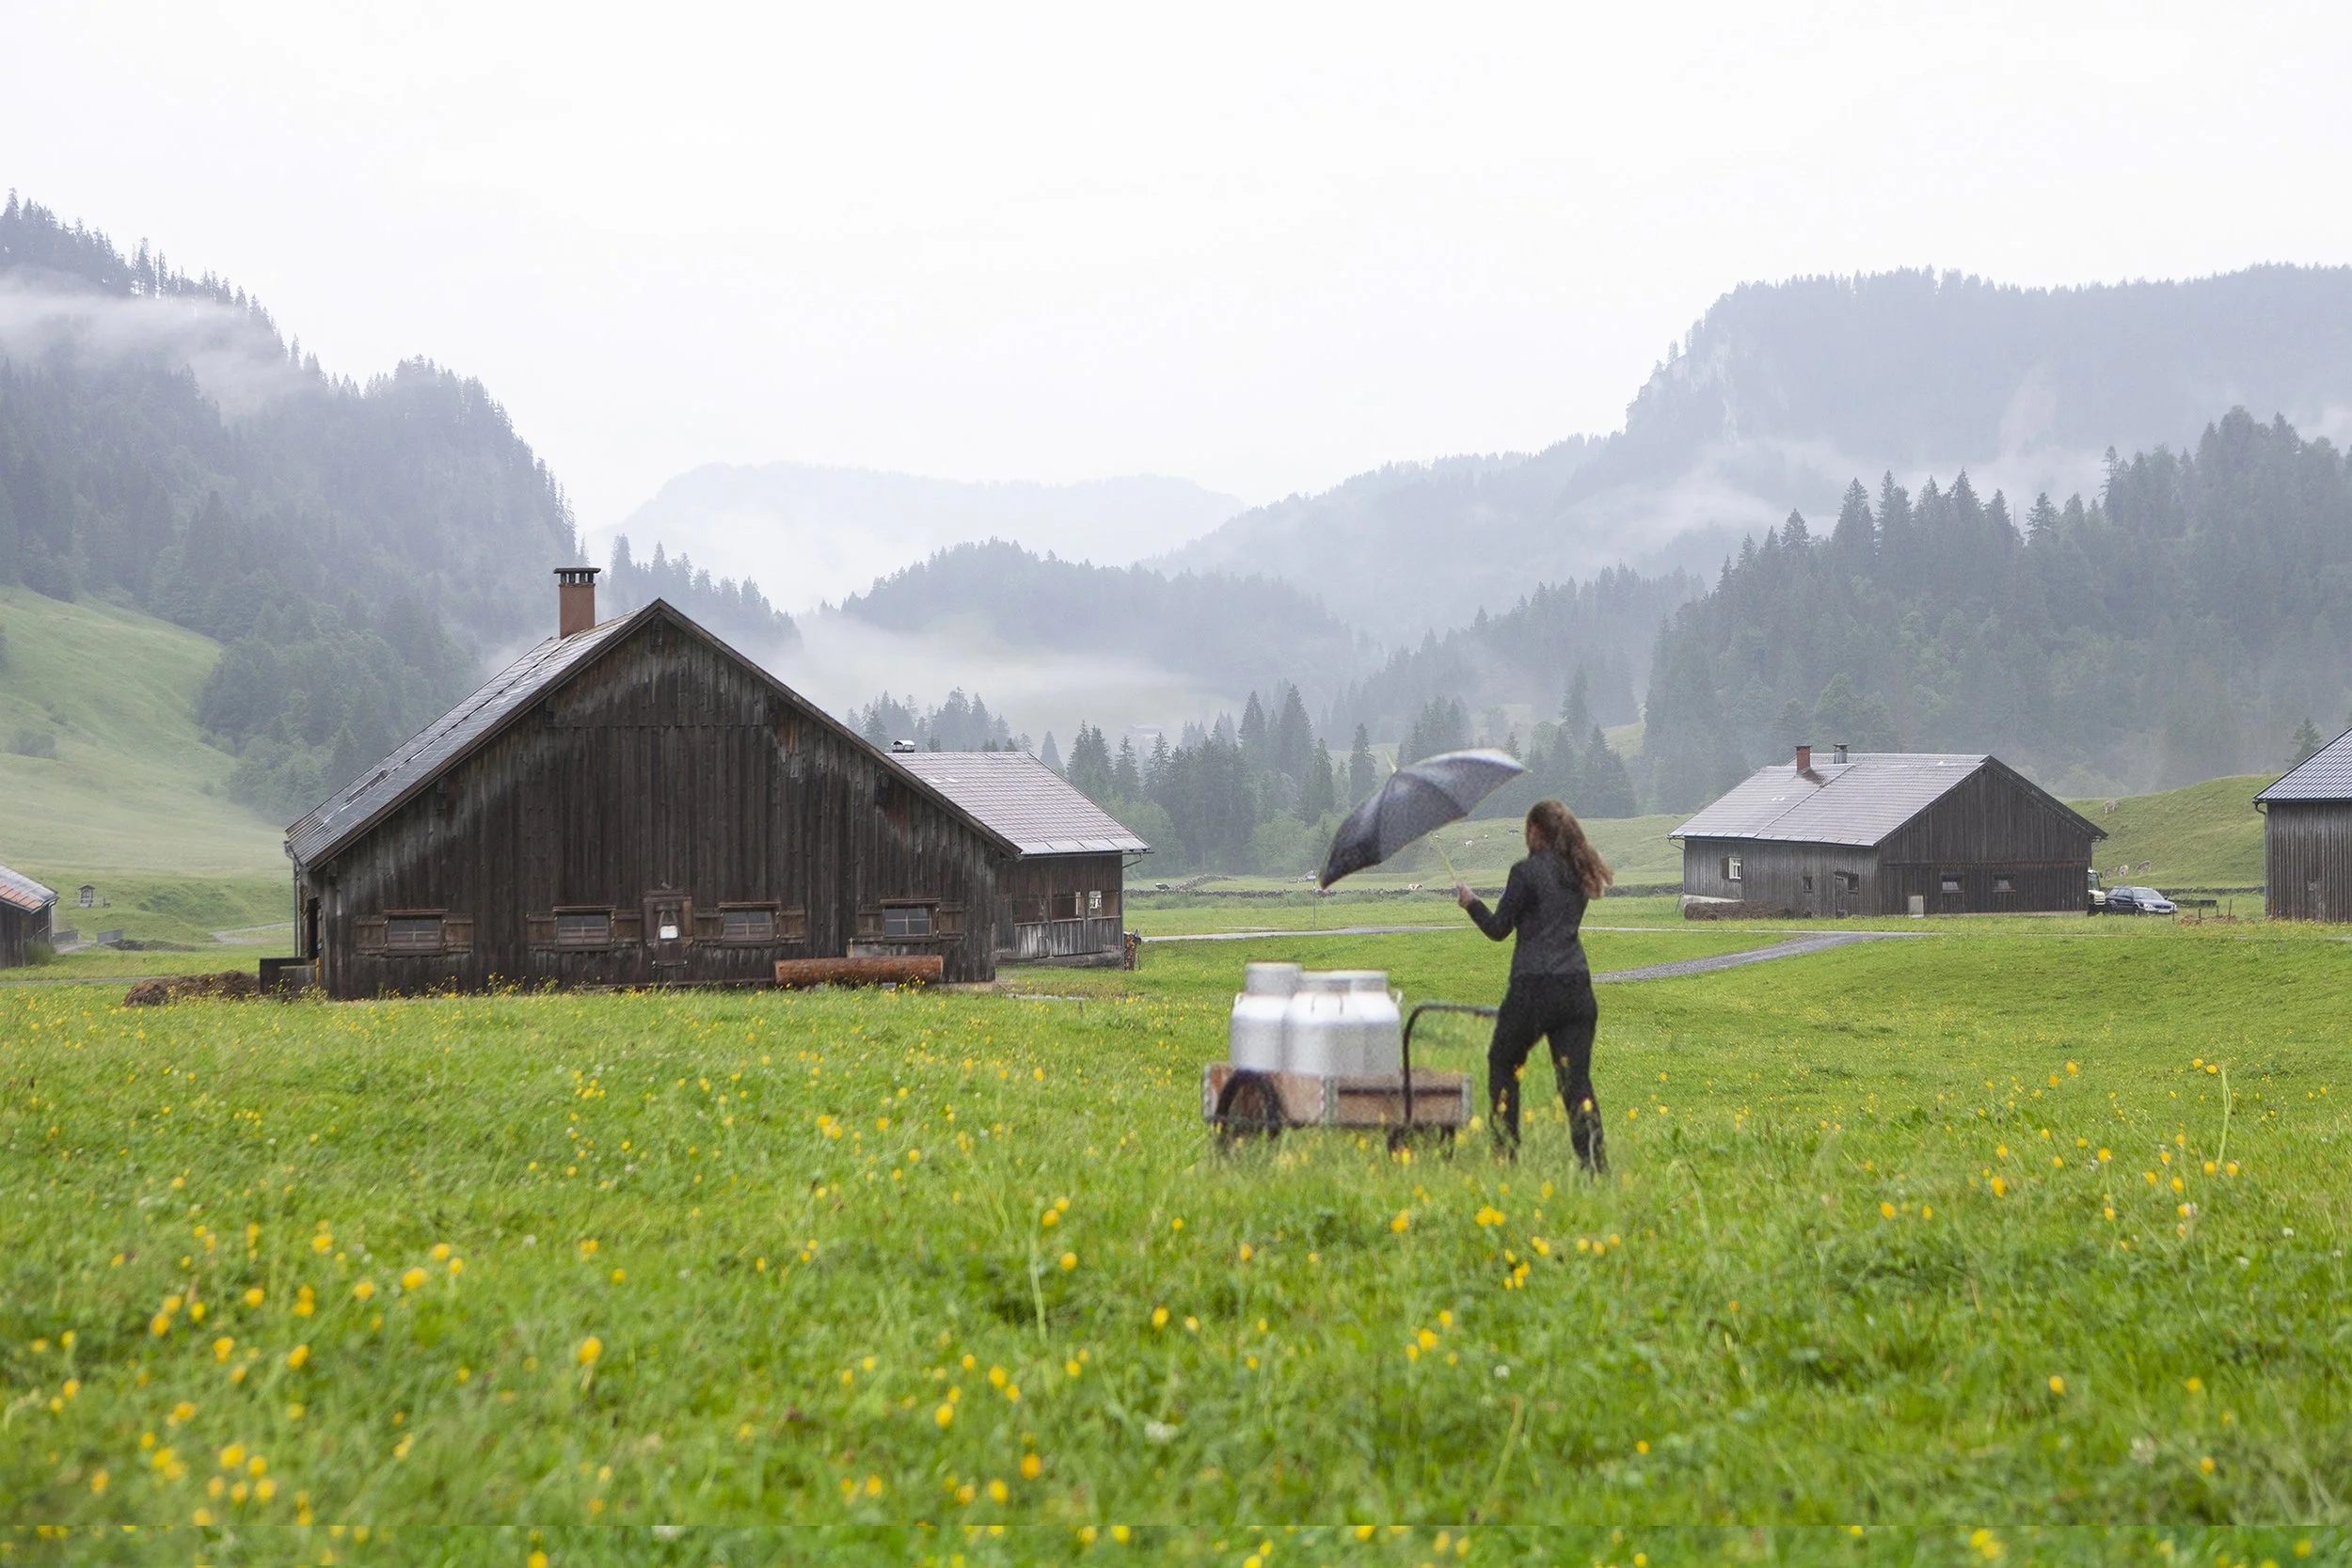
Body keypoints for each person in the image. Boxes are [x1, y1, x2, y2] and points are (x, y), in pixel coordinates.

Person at [1455, 799, 1613, 1168]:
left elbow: (1498, 929)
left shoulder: (1524, 873)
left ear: (1535, 831)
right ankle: (1594, 1164)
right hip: (1576, 988)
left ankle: (1505, 1155)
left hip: (1533, 987)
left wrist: (1471, 902)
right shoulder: (1578, 872)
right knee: (1576, 1082)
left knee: (1503, 1062)